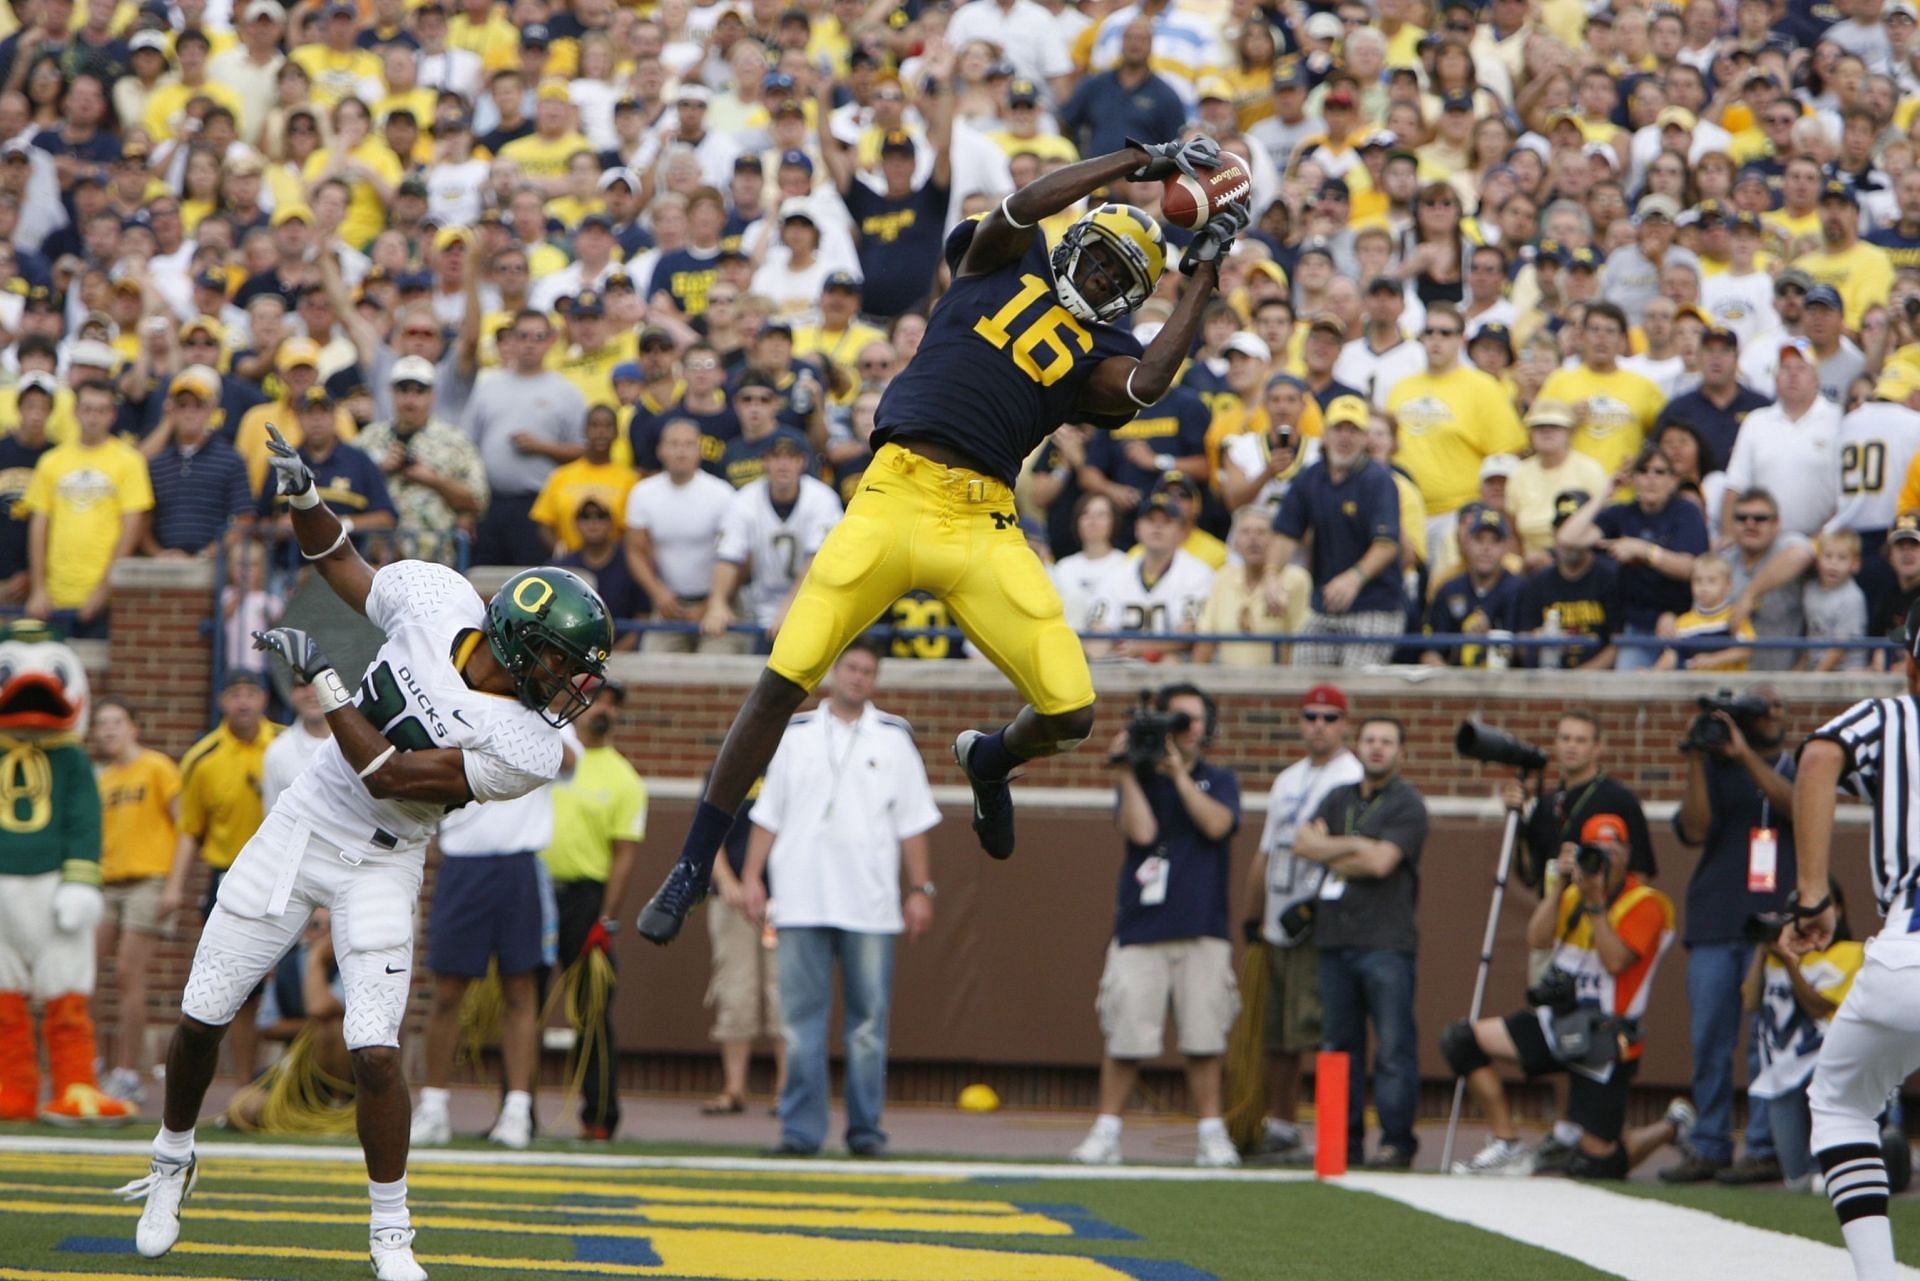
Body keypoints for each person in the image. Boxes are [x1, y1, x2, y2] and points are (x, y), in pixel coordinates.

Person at [635, 137, 1247, 943]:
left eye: (1116, 281)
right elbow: (1024, 202)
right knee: (784, 676)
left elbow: (1146, 384)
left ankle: (990, 758)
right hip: (893, 490)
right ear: (1075, 242)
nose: (1098, 281)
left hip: (982, 519)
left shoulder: (1108, 350)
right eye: (1097, 261)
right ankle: (691, 863)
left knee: (1071, 709)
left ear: (1131, 298)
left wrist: (1204, 270)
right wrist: (1135, 159)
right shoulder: (1003, 260)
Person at [119, 424, 612, 1281]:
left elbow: (391, 773)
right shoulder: (437, 596)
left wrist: (331, 685)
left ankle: (392, 1234)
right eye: (564, 663)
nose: (571, 686)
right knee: (203, 1012)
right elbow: (342, 563)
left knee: (376, 1049)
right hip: (306, 820)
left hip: (385, 854)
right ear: (519, 643)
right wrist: (306, 498)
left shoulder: (528, 744)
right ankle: (172, 1156)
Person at [737, 639, 939, 1157]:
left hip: (870, 904)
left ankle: (865, 1131)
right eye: (851, 667)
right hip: (801, 897)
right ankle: (801, 1133)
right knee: (800, 1024)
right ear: (833, 671)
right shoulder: (796, 732)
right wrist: (753, 877)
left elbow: (913, 821)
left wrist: (920, 888)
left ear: (876, 678)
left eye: (868, 670)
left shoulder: (894, 737)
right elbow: (768, 814)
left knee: (869, 1026)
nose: (858, 677)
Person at [1787, 619, 1920, 1281]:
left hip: (1908, 959)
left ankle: (1878, 1273)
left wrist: (1813, 896)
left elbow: (1815, 760)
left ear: (1911, 668)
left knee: (1840, 1103)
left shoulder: (1895, 718)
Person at [1444, 813, 1680, 1179]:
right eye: (1595, 850)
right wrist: (1557, 887)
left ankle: (1670, 1126)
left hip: (1605, 1039)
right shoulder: (1571, 895)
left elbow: (1616, 961)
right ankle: (1507, 1143)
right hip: (1559, 1023)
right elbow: (1537, 939)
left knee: (1596, 1164)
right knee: (1460, 1039)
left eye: (1612, 848)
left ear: (1627, 852)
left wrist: (1597, 903)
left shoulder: (1647, 904)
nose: (1604, 858)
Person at [1070, 683, 1241, 1168]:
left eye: (1194, 720)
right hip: (1142, 927)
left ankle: (1212, 1133)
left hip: (1202, 928)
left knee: (1205, 1037)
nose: (1186, 729)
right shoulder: (1139, 778)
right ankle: (1107, 1131)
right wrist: (1127, 772)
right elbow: (1141, 833)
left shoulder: (1220, 778)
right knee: (1125, 1035)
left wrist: (1180, 775)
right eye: (1177, 719)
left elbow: (1216, 826)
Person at [411, 728, 575, 1152]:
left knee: (520, 988)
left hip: (519, 866)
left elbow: (570, 761)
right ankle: (432, 1107)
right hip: (463, 864)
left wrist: (529, 724)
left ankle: (517, 1111)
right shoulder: (457, 707)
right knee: (447, 991)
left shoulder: (541, 715)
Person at [1661, 684, 1796, 1186]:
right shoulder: (1714, 768)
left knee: (1767, 1041)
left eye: (1780, 707)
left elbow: (1796, 808)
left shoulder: (1797, 764)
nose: (1775, 714)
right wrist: (1698, 757)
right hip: (1716, 919)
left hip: (1773, 926)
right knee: (1710, 1039)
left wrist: (1745, 756)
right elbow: (1695, 830)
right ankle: (1710, 1144)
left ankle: (1763, 1147)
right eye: (1766, 709)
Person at [1294, 716, 1428, 1169]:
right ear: (1358, 745)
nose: (1377, 748)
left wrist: (1336, 846)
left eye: (1387, 741)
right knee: (1336, 1046)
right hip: (1335, 940)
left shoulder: (1408, 805)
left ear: (1402, 752)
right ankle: (1339, 1142)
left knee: (1392, 1047)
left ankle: (1396, 1142)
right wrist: (1356, 846)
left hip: (1386, 943)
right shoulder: (1338, 797)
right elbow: (1303, 844)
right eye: (1370, 740)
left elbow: (1381, 864)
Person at [1242, 684, 1361, 1160]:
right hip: (1279, 917)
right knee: (1279, 1032)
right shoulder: (1287, 779)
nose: (1319, 725)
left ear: (1345, 724)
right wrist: (1253, 915)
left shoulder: (1352, 775)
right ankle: (1283, 1126)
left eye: (1330, 717)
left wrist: (1318, 905)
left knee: (1325, 1030)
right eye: (1311, 716)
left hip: (1326, 920)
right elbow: (1267, 851)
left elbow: (1355, 853)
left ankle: (1333, 1135)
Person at [158, 672, 279, 1083]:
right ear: (222, 702)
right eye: (234, 694)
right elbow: (190, 829)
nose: (243, 702)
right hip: (229, 877)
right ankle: (245, 1084)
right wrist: (175, 886)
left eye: (251, 693)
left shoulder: (287, 745)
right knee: (240, 985)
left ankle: (297, 1085)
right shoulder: (202, 758)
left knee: (293, 984)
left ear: (264, 698)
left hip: (286, 874)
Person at [540, 682, 646, 1141]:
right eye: (597, 700)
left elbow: (624, 855)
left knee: (593, 1010)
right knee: (522, 1002)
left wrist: (606, 918)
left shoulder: (624, 778)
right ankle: (516, 1112)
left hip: (586, 897)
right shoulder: (547, 753)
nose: (604, 710)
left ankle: (600, 1117)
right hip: (536, 889)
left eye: (612, 704)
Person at [1745, 884, 1864, 1192]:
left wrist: (1790, 963)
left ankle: (1888, 1162)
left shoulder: (1849, 953)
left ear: (1837, 910)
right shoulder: (1774, 958)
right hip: (1781, 1070)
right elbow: (1749, 1002)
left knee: (1826, 1173)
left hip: (1822, 1066)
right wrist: (1763, 945)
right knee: (1796, 1180)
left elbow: (1817, 1007)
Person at [1269, 394, 1403, 667]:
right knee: (1305, 682)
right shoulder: (1310, 476)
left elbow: (1387, 543)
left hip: (1375, 605)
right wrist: (1271, 575)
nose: (1345, 437)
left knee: (1354, 686)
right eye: (1338, 428)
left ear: (1366, 438)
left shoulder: (1378, 481)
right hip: (1325, 605)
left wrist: (1354, 577)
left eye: (1354, 430)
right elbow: (1285, 532)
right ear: (1324, 434)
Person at [92, 698, 181, 1106]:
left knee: (129, 973)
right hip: (105, 884)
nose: (108, 730)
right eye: (101, 724)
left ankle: (128, 1071)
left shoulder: (158, 767)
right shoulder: (101, 779)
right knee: (88, 975)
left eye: (116, 722)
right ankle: (91, 1064)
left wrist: (173, 886)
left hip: (148, 880)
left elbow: (186, 829)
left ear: (134, 728)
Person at [23, 380, 152, 638]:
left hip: (107, 600)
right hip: (53, 599)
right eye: (88, 409)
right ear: (75, 411)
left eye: (102, 410)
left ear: (113, 415)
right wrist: (38, 588)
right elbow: (39, 525)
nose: (94, 417)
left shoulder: (129, 461)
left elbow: (132, 528)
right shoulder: (51, 461)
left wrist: (104, 590)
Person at [624, 419, 741, 654]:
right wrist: (657, 593)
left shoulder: (722, 494)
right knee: (652, 663)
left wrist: (714, 601)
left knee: (717, 665)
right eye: (674, 444)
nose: (681, 451)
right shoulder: (642, 493)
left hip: (718, 602)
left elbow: (739, 556)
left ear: (699, 450)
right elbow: (635, 551)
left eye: (688, 444)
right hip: (668, 606)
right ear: (661, 449)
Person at [1421, 508, 1521, 668]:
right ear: (1466, 543)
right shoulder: (1448, 589)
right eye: (1479, 539)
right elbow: (1430, 652)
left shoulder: (1520, 590)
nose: (1486, 548)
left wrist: (1491, 640)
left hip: (1510, 684)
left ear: (1505, 547)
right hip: (1457, 684)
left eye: (1495, 540)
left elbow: (1528, 651)